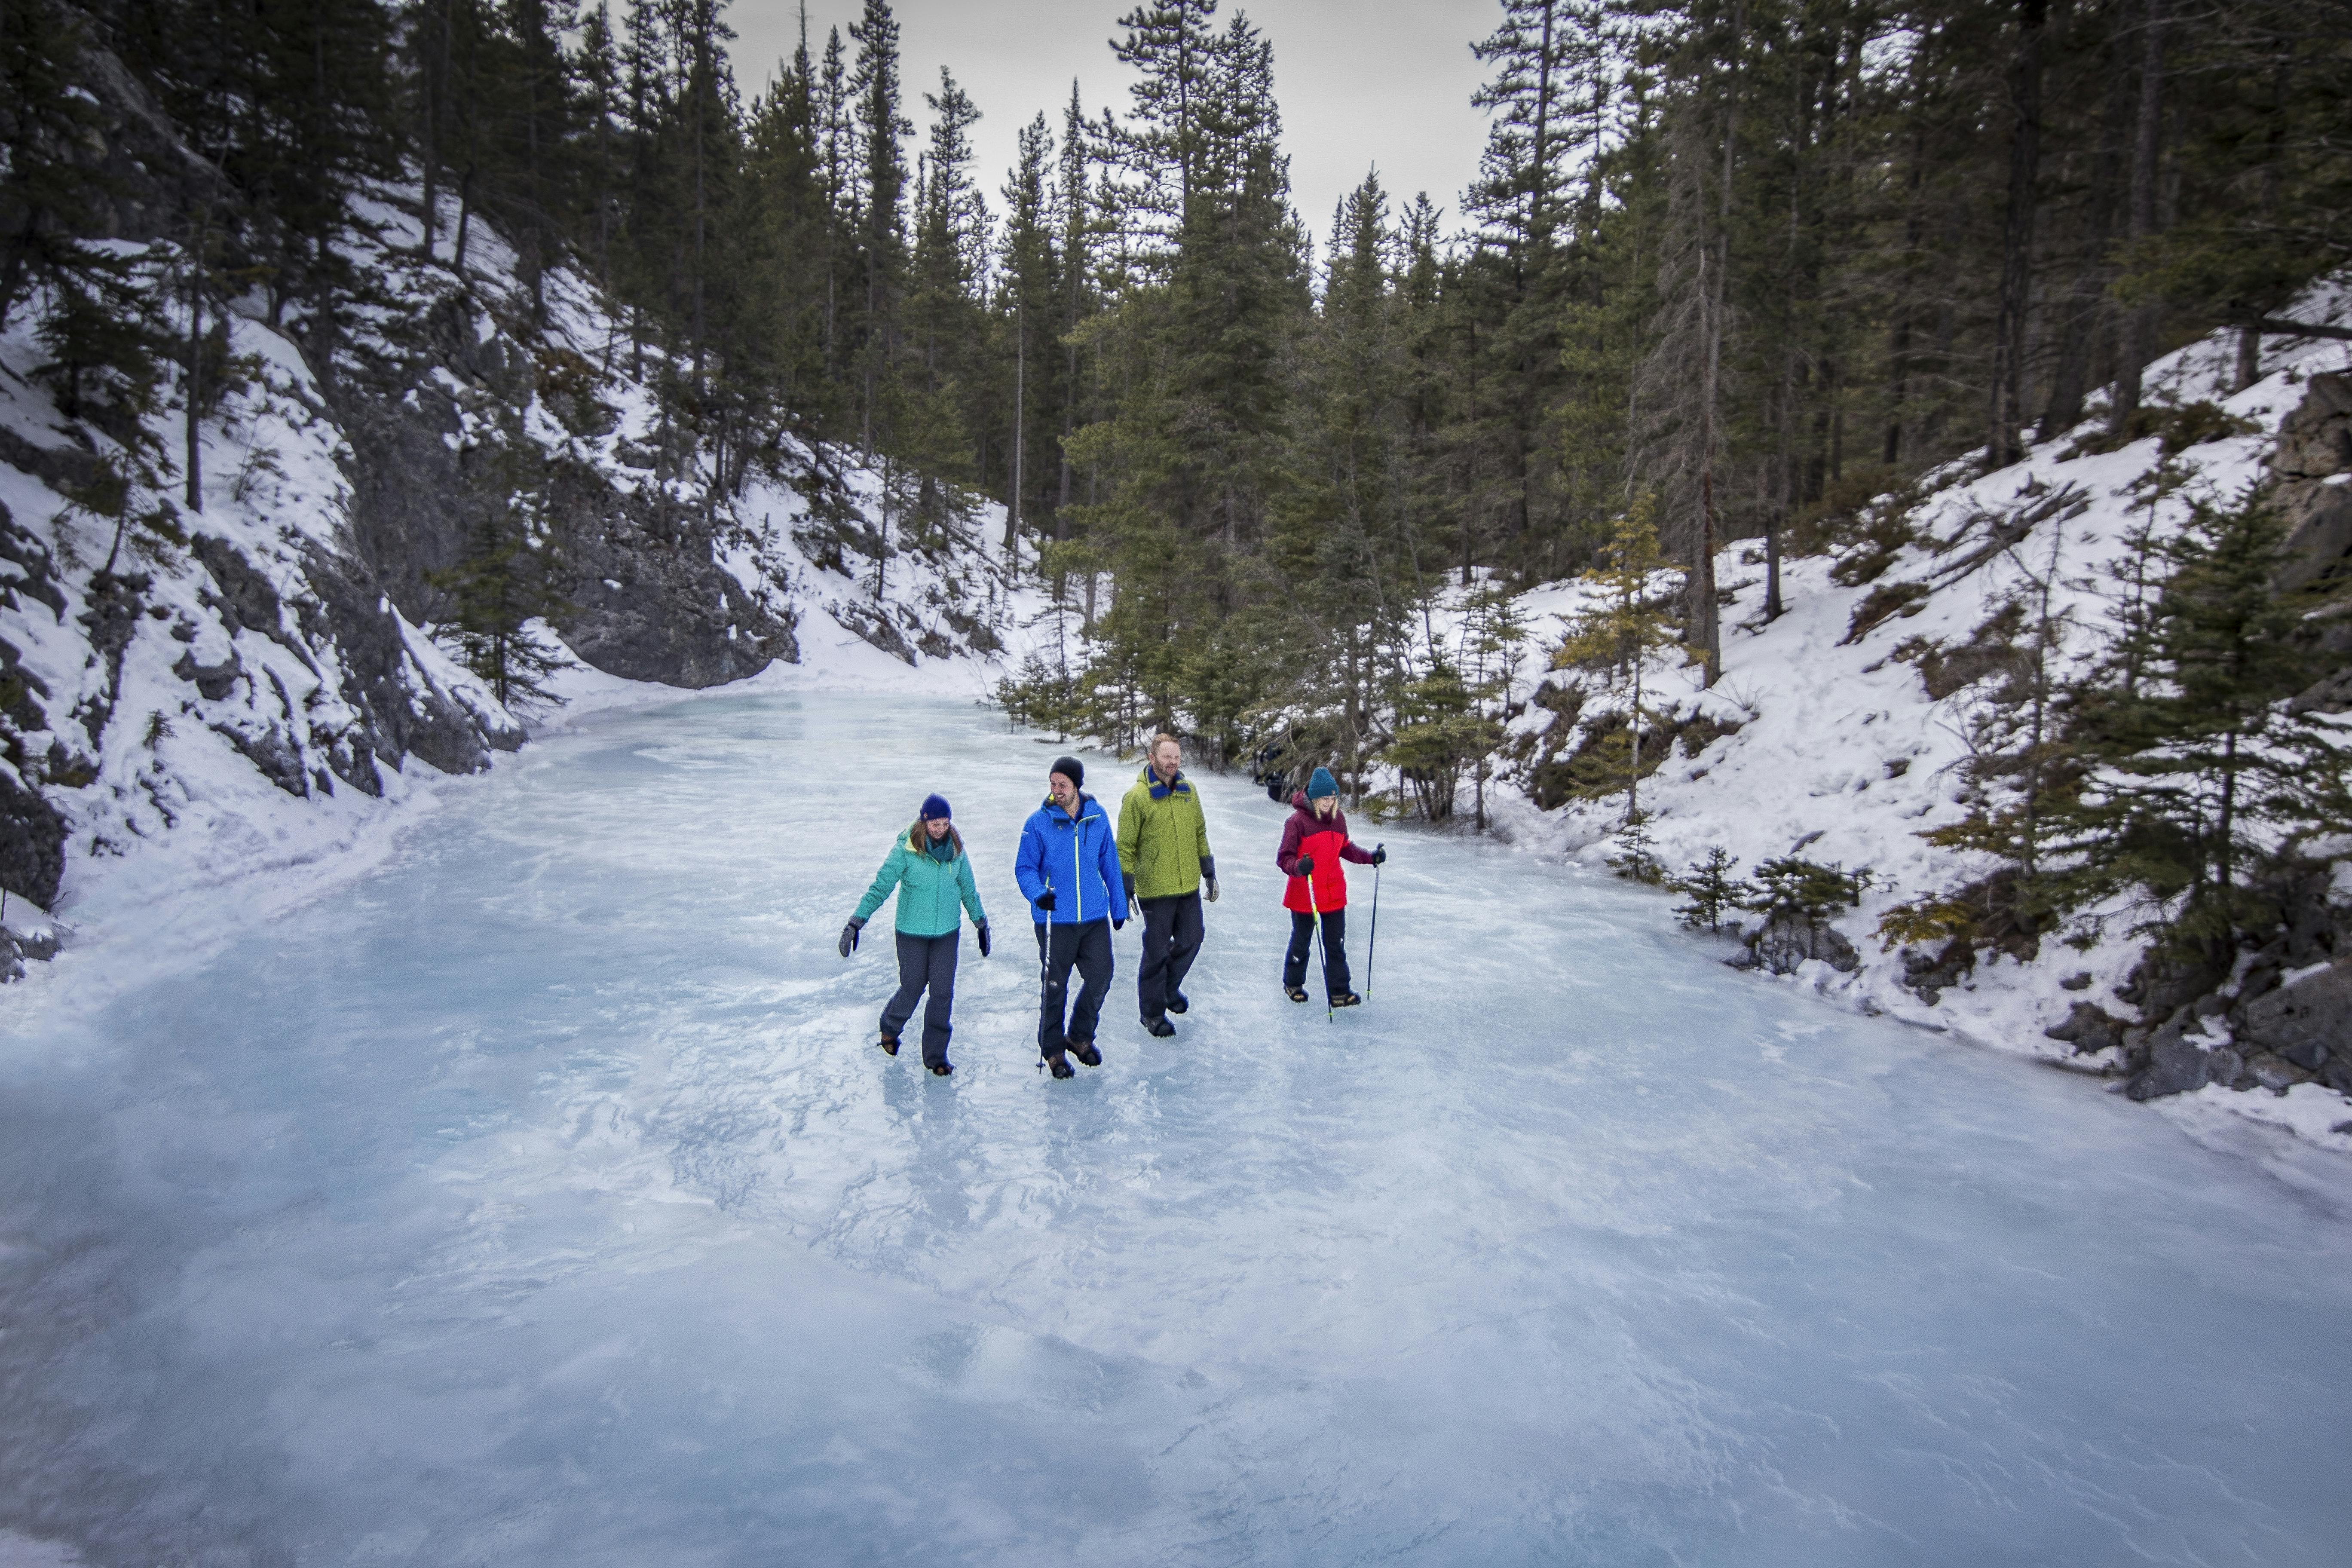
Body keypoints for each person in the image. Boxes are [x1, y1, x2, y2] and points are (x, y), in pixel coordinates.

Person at [839, 793, 990, 1076]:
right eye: (935, 823)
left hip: (947, 932)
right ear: (924, 821)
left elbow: (968, 887)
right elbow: (880, 887)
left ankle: (936, 1057)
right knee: (913, 986)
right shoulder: (906, 850)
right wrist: (856, 922)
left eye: (945, 823)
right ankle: (890, 1026)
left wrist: (980, 922)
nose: (941, 829)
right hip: (912, 932)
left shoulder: (956, 848)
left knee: (943, 993)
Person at [1014, 756, 1130, 1079]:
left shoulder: (1097, 817)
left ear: (1076, 785)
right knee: (1055, 986)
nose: (1056, 790)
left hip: (1093, 916)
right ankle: (1052, 1050)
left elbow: (1110, 864)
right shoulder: (1038, 822)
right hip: (1056, 918)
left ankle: (1079, 1036)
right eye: (1052, 784)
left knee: (1101, 977)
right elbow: (1024, 869)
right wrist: (1039, 893)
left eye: (1062, 785)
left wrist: (1118, 907)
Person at [1116, 732, 1217, 1038]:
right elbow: (1125, 846)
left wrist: (1208, 871)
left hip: (1187, 883)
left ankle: (1169, 988)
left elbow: (1199, 831)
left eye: (1176, 757)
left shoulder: (1189, 791)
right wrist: (1126, 884)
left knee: (1193, 939)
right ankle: (1152, 1012)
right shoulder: (1137, 797)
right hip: (1155, 889)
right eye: (1166, 757)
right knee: (1157, 951)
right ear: (1152, 758)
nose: (1172, 762)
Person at [1274, 766, 1385, 1008]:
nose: (1329, 802)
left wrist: (1371, 857)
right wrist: (1299, 867)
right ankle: (1293, 983)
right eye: (1324, 798)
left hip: (1334, 891)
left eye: (1333, 797)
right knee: (1301, 941)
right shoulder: (1296, 823)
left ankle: (1339, 991)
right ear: (1314, 798)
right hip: (1306, 893)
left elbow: (1346, 848)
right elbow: (1284, 858)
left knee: (1336, 944)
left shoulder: (1339, 819)